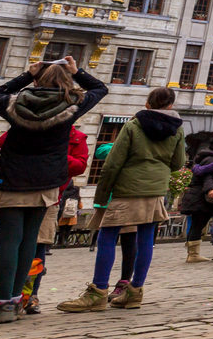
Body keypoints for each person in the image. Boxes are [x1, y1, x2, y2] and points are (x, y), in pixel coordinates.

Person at [0, 58, 108, 324]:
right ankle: (16, 300)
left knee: (10, 241)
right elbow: (99, 88)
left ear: (37, 80)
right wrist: (77, 72)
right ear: (66, 82)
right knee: (29, 241)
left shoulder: (16, 103)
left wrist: (28, 74)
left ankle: (2, 302)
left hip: (14, 178)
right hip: (47, 180)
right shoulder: (72, 105)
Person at [58, 86, 186, 313]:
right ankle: (135, 291)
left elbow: (113, 163)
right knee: (146, 239)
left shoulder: (134, 125)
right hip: (155, 189)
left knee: (107, 235)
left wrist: (101, 195)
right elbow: (177, 163)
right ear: (171, 105)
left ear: (147, 103)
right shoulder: (176, 130)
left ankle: (98, 291)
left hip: (128, 188)